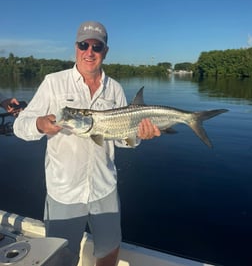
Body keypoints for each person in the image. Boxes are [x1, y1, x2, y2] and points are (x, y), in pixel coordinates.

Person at [13, 21, 161, 266]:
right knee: (60, 256)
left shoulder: (114, 88)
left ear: (105, 51)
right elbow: (21, 126)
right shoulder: (53, 82)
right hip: (65, 191)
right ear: (76, 47)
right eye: (84, 45)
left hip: (104, 188)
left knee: (109, 250)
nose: (89, 52)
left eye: (96, 46)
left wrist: (138, 136)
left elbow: (122, 139)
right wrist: (39, 124)